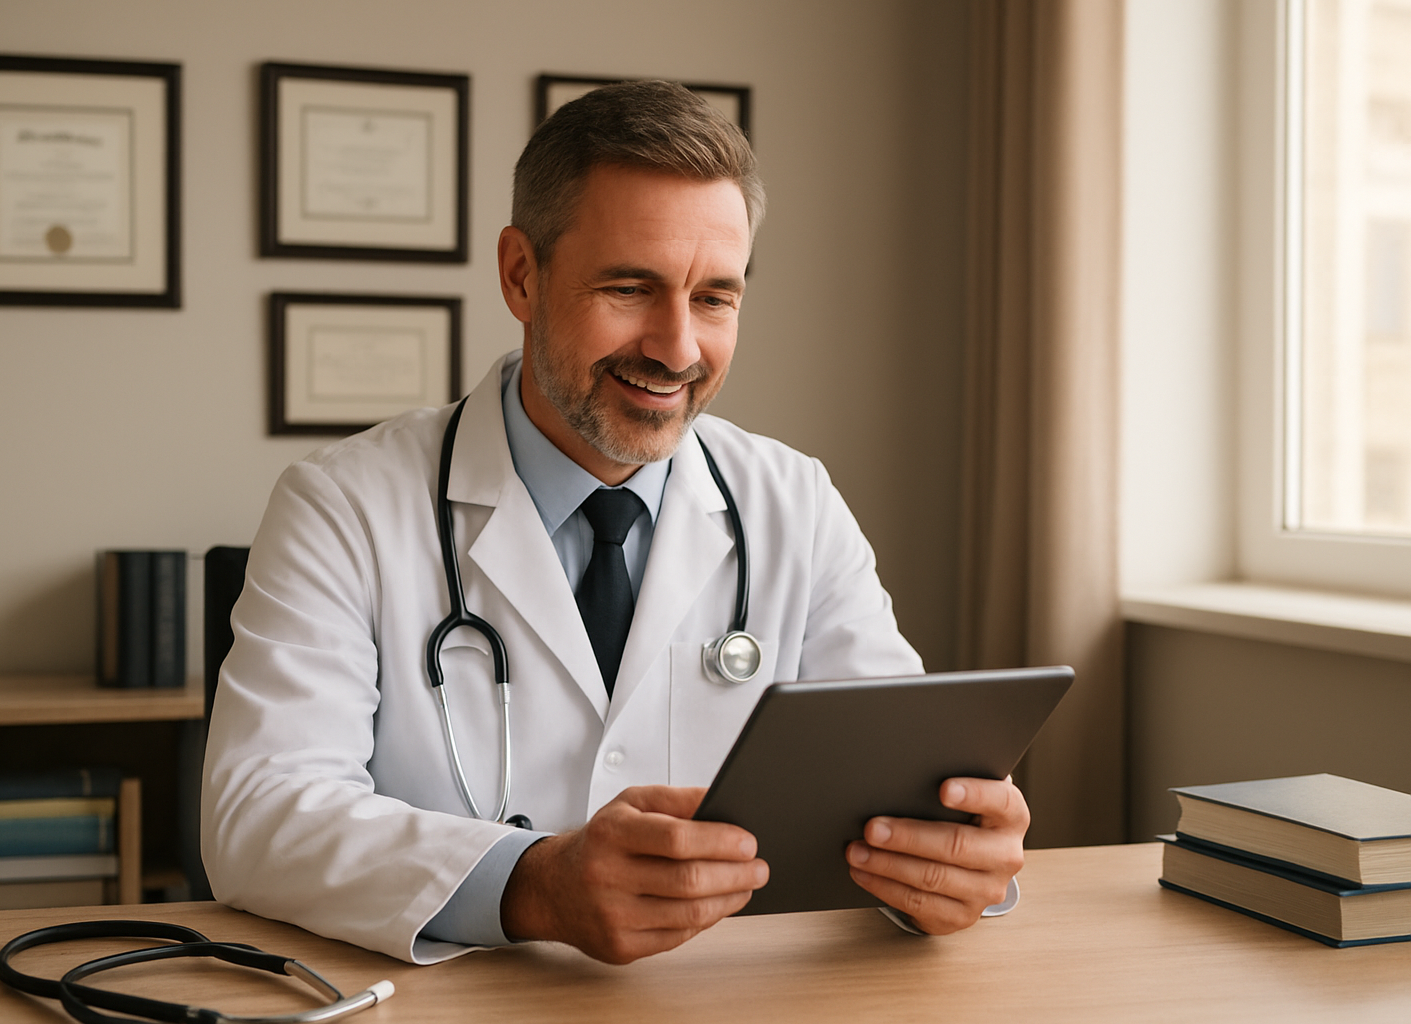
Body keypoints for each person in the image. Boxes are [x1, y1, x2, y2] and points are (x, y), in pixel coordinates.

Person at [202, 81, 1029, 967]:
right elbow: (259, 811)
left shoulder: (795, 502)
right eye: (630, 287)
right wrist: (534, 884)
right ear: (522, 274)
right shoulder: (344, 505)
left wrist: (952, 863)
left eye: (714, 298)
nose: (677, 349)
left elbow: (896, 784)